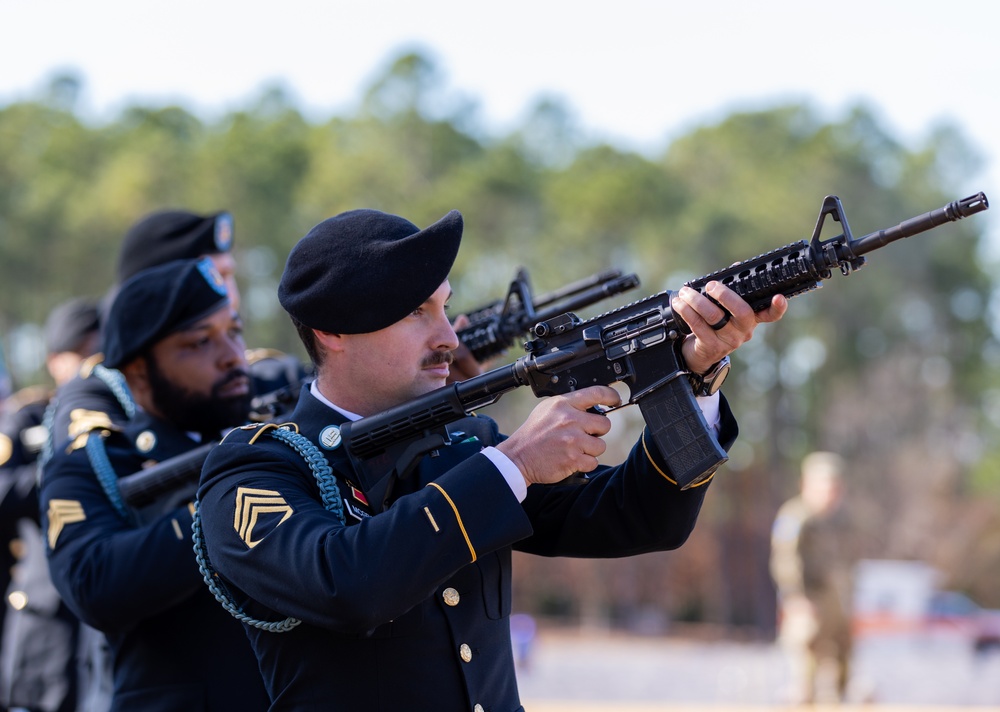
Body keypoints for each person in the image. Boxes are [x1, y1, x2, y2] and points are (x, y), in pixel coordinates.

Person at [195, 207, 788, 710]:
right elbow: (345, 585)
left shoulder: (462, 446)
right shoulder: (255, 471)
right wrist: (515, 464)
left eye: (442, 307)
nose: (448, 338)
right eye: (415, 314)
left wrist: (693, 382)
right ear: (332, 332)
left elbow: (639, 517)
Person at [39, 259, 270, 711]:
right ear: (139, 372)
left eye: (234, 332)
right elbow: (93, 583)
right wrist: (225, 510)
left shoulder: (269, 437)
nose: (232, 355)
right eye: (200, 342)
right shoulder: (96, 462)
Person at [0, 297, 101, 712]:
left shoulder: (116, 414)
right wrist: (65, 472)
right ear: (53, 360)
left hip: (101, 601)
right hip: (46, 611)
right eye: (78, 354)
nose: (88, 366)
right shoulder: (29, 417)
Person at [770, 451, 856, 704]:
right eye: (826, 486)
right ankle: (800, 696)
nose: (831, 493)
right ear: (806, 484)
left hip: (832, 596)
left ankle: (836, 697)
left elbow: (845, 561)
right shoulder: (795, 516)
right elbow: (785, 559)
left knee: (841, 653)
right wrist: (794, 596)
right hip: (807, 597)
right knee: (805, 646)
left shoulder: (839, 519)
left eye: (835, 487)